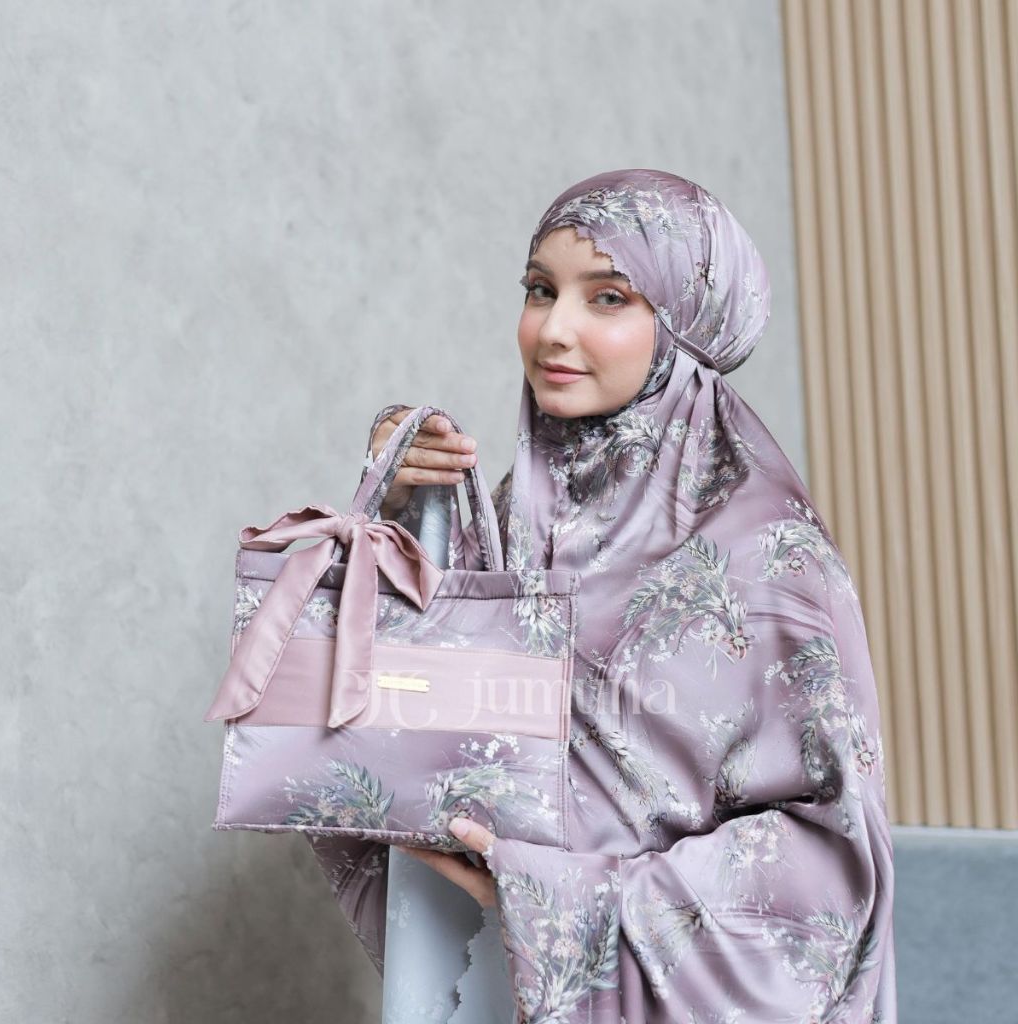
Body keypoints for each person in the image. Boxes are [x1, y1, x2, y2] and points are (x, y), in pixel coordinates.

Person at [307, 168, 897, 1023]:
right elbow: (400, 708)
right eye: (540, 290)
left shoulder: (769, 554)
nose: (555, 328)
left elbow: (827, 872)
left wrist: (558, 897)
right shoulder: (518, 514)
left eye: (608, 297)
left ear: (687, 323)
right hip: (500, 979)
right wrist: (403, 514)